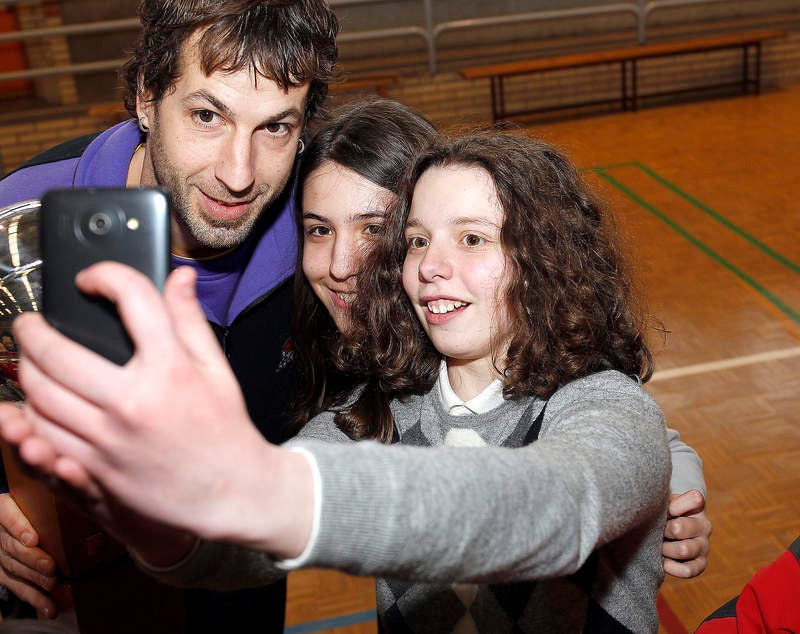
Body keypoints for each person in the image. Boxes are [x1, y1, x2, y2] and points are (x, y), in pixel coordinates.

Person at [2, 131, 697, 632]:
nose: (427, 266)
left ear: (546, 258)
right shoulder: (371, 415)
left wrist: (268, 489)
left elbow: (553, 507)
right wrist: (155, 527)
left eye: (473, 238)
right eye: (417, 240)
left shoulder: (607, 407)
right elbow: (233, 559)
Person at [0, 0, 338, 629]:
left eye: (275, 128)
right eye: (208, 115)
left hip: (245, 576)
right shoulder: (22, 216)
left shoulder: (322, 234)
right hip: (83, 591)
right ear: (146, 98)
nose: (238, 175)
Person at [291, 98, 709, 575]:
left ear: (540, 257)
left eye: (375, 229)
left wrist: (667, 485)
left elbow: (595, 462)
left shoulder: (594, 398)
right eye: (419, 241)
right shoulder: (369, 396)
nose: (342, 266)